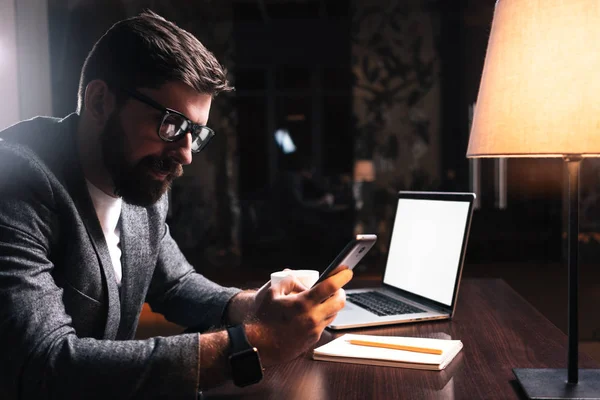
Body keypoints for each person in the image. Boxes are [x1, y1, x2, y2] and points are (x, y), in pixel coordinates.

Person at [0, 11, 352, 399]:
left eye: (195, 133)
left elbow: (176, 285)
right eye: (171, 125)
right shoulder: (14, 183)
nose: (185, 155)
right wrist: (254, 343)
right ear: (100, 101)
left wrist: (257, 303)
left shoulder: (134, 177)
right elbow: (44, 364)